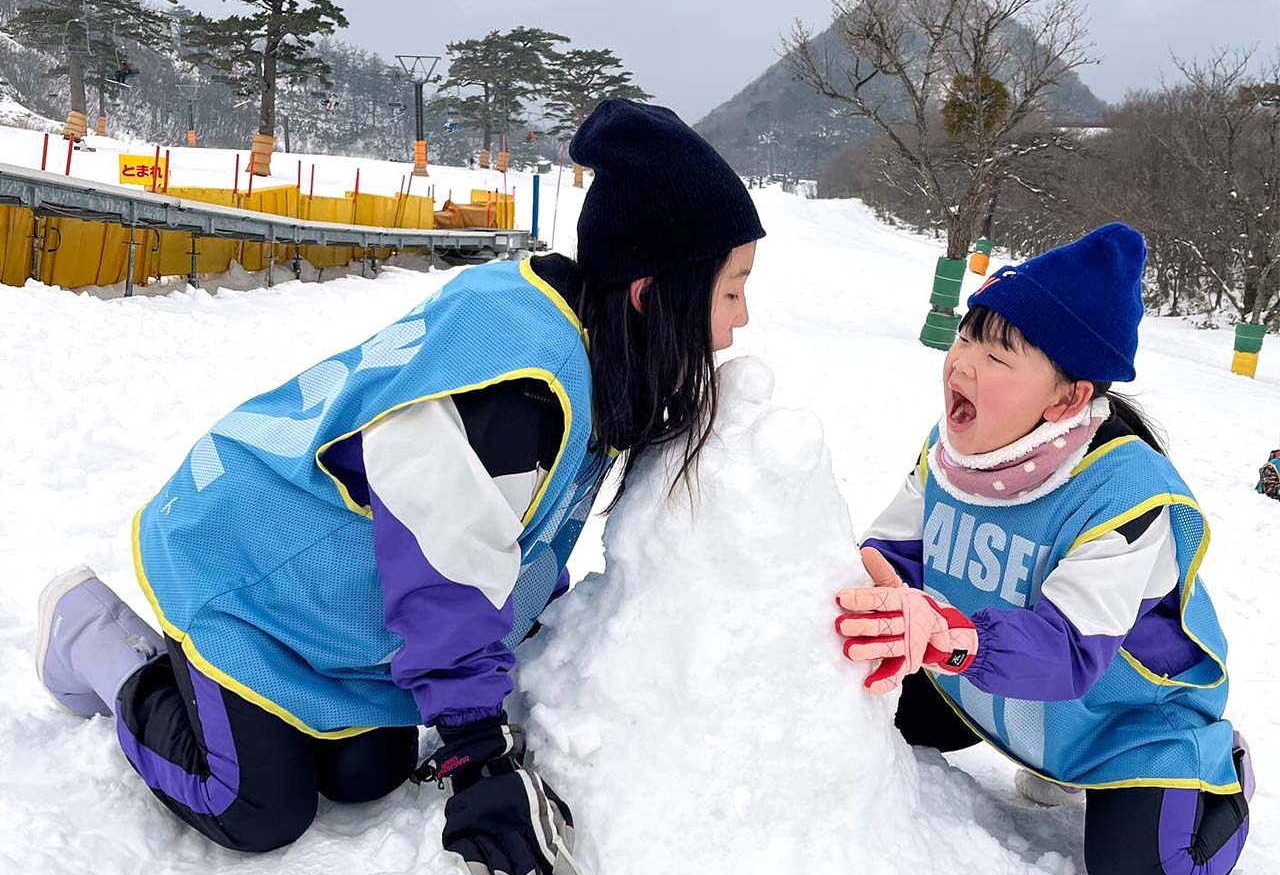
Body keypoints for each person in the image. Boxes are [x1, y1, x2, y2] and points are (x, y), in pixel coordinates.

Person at [34, 99, 763, 874]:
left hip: (333, 606)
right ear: (651, 294)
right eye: (730, 291)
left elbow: (514, 526)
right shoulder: (515, 393)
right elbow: (443, 567)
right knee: (252, 804)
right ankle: (95, 641)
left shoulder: (590, 344)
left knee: (366, 773)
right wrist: (480, 760)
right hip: (251, 570)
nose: (740, 322)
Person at [835, 223, 1252, 874]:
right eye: (969, 334)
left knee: (1145, 867)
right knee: (860, 690)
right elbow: (894, 554)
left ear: (1070, 397)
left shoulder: (1126, 497)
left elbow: (1069, 648)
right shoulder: (953, 450)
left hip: (1123, 722)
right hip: (1001, 690)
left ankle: (1220, 776)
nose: (963, 362)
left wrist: (944, 635)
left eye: (998, 356)